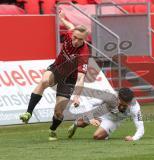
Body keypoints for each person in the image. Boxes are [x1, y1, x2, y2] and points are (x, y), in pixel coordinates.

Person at [19, 10, 90, 141]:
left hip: (70, 78)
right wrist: (62, 18)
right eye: (74, 37)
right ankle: (28, 112)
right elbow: (70, 26)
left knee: (58, 111)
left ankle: (53, 130)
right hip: (57, 68)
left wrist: (77, 96)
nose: (75, 41)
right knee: (44, 81)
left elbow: (80, 78)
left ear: (85, 39)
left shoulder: (84, 54)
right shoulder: (70, 33)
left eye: (80, 39)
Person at [67, 88, 144, 141]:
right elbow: (88, 102)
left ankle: (105, 132)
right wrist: (91, 118)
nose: (123, 107)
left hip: (114, 120)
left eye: (126, 105)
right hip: (102, 111)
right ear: (118, 97)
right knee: (81, 123)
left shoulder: (135, 107)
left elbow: (140, 127)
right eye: (121, 104)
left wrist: (133, 138)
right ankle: (75, 125)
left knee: (97, 136)